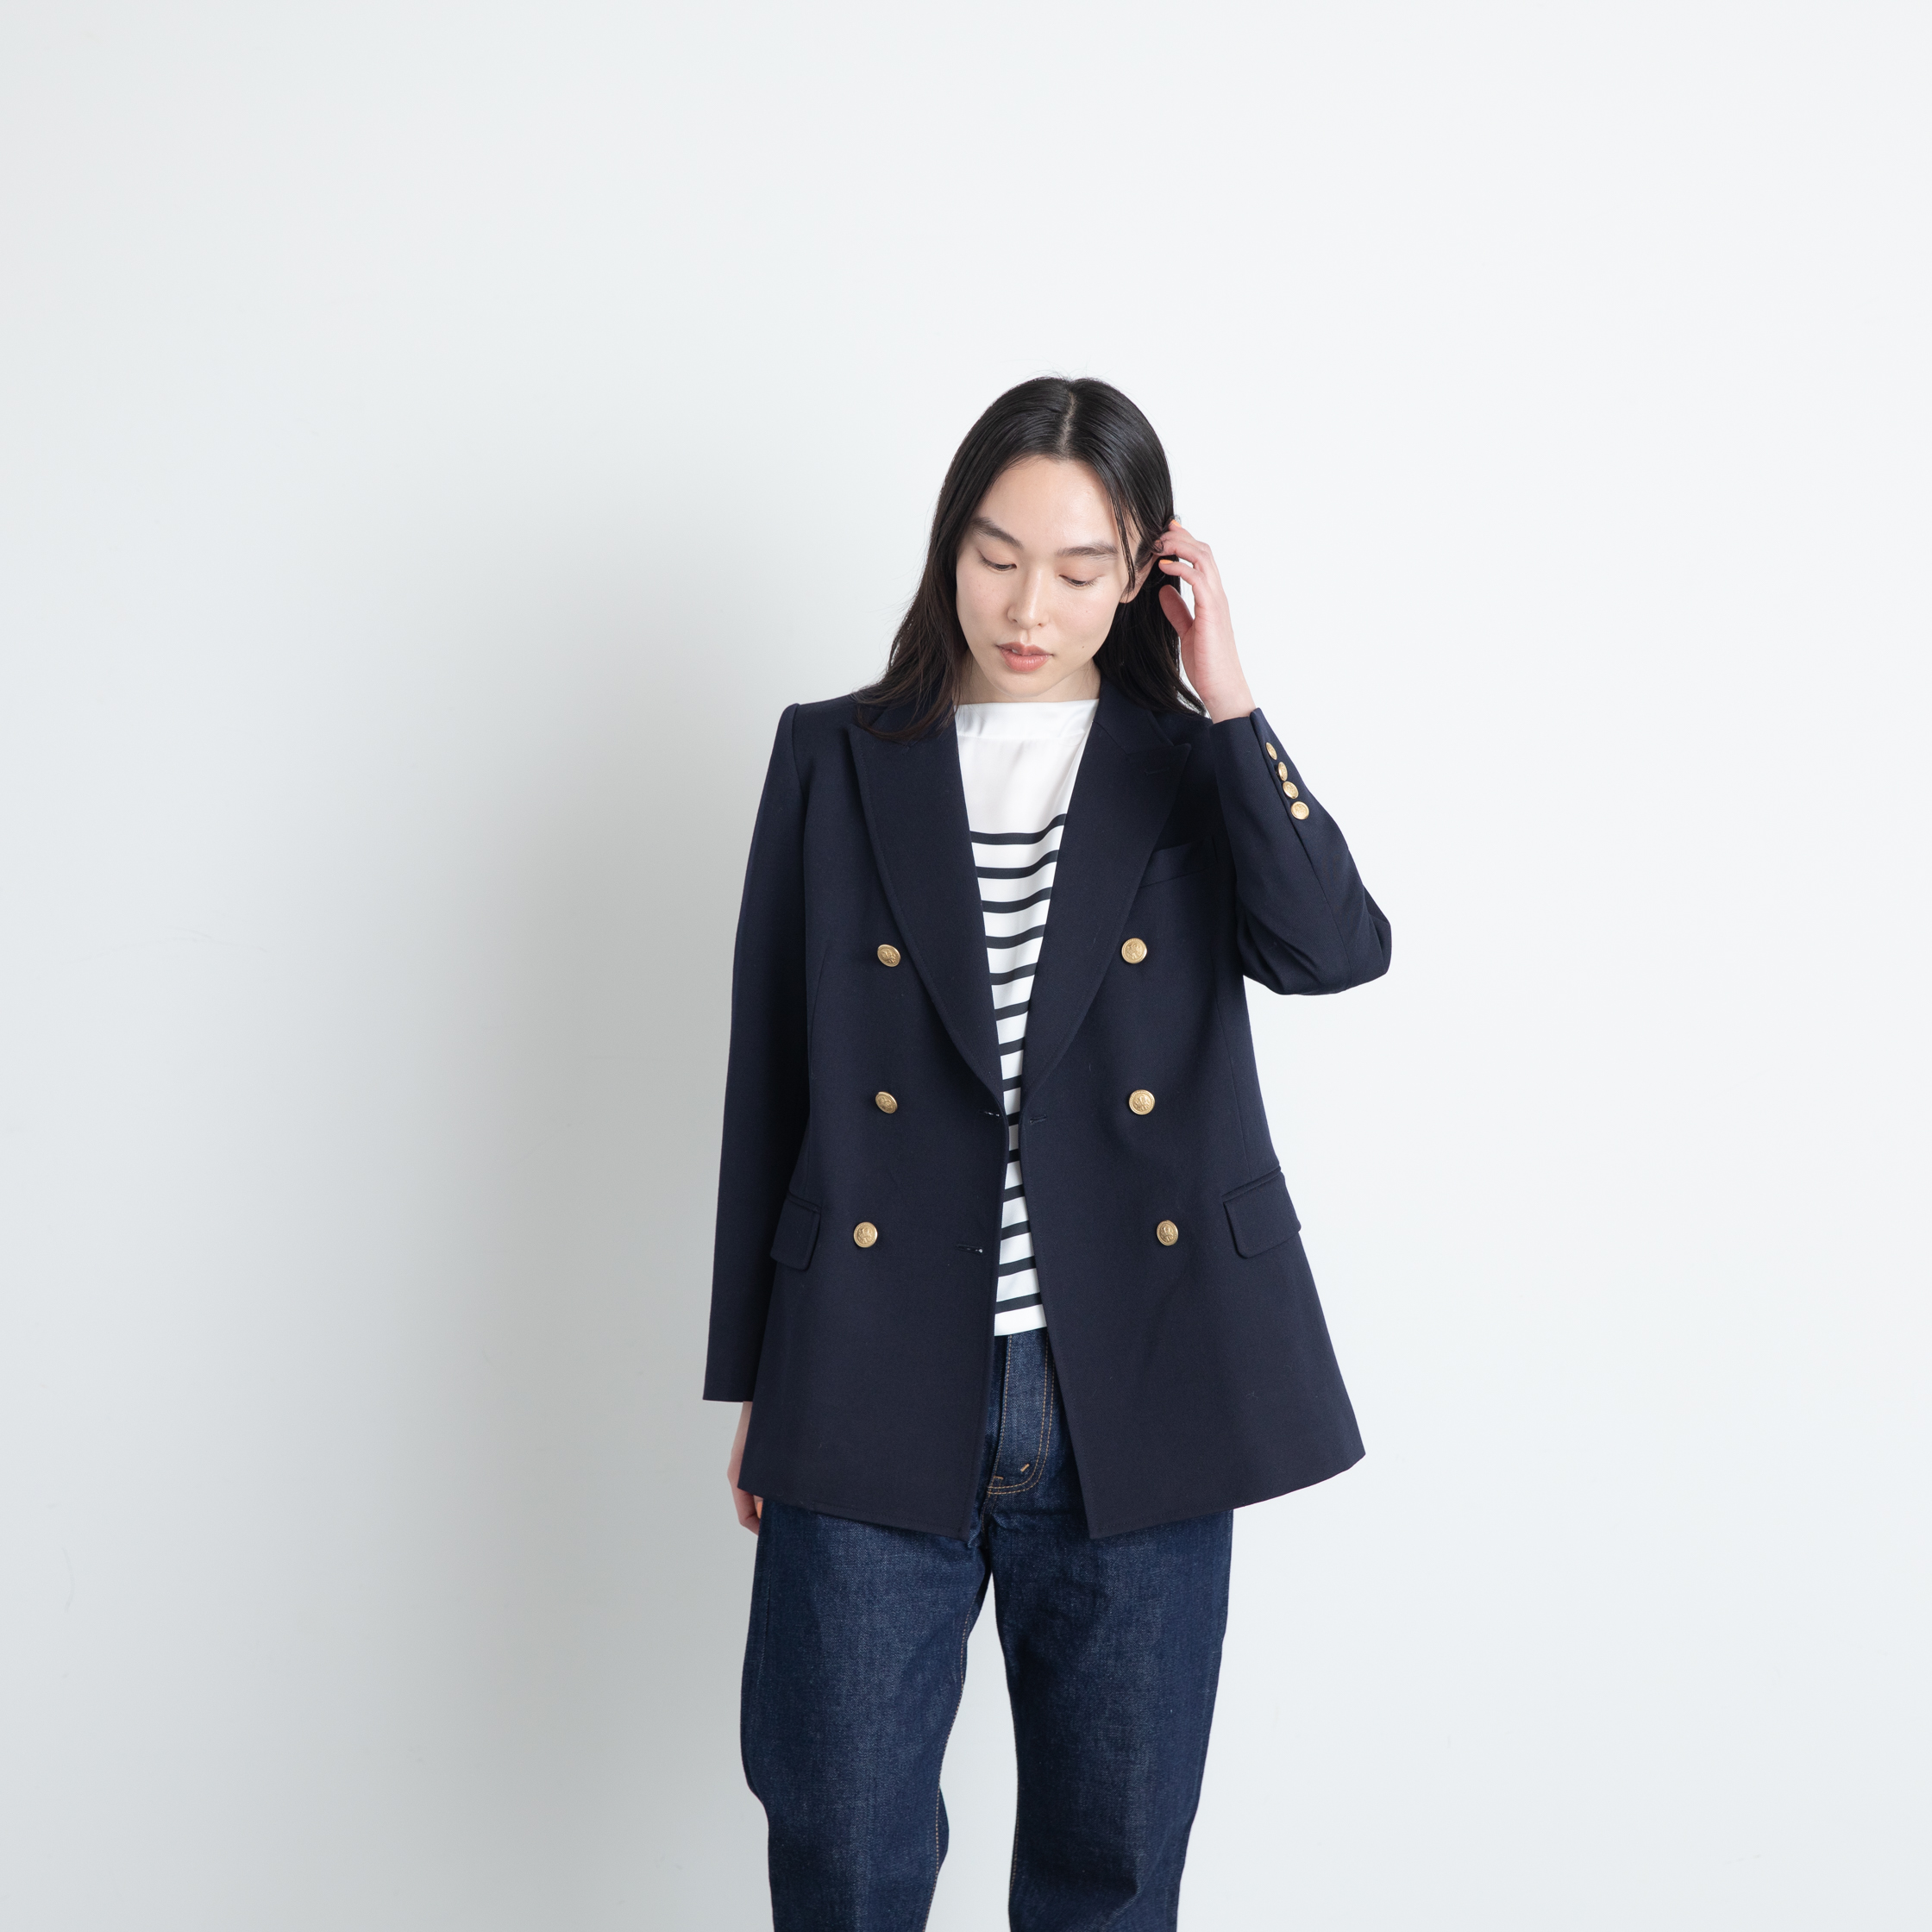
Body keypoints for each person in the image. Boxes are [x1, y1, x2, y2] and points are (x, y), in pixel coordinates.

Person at [704, 375, 1391, 1931]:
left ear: (1146, 571)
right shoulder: (834, 755)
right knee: (843, 1858)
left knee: (1112, 1873)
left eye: (1083, 570)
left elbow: (1334, 949)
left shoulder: (1189, 762)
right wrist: (756, 1376)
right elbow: (773, 1078)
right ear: (949, 546)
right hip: (870, 1366)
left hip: (1139, 1374)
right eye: (998, 557)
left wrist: (1231, 701)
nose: (1031, 608)